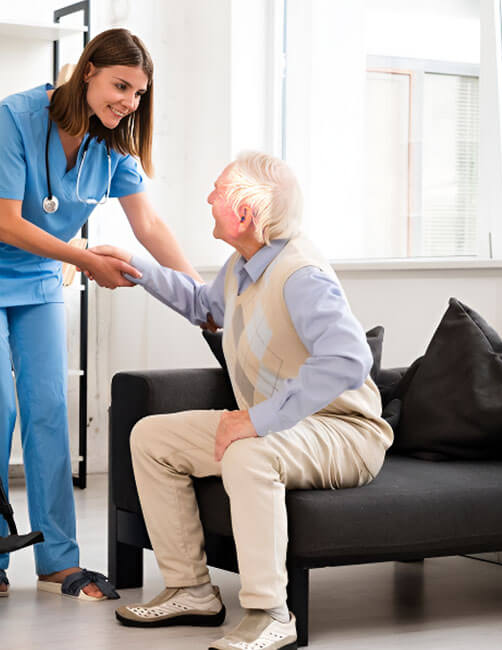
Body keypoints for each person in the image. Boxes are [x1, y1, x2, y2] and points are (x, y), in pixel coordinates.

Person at [0, 28, 199, 600]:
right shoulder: (14, 116)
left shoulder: (112, 143)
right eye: (120, 85)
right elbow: (6, 223)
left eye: (137, 94)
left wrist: (200, 296)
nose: (127, 102)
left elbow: (148, 224)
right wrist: (84, 259)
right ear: (89, 70)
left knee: (50, 408)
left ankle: (58, 560)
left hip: (38, 277)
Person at [96, 152, 392, 649]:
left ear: (245, 213)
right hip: (280, 427)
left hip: (344, 431)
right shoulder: (244, 264)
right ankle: (190, 588)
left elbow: (348, 359)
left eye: (217, 191)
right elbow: (202, 306)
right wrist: (137, 268)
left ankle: (270, 611)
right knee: (151, 437)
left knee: (247, 451)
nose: (208, 199)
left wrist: (257, 420)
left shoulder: (301, 274)